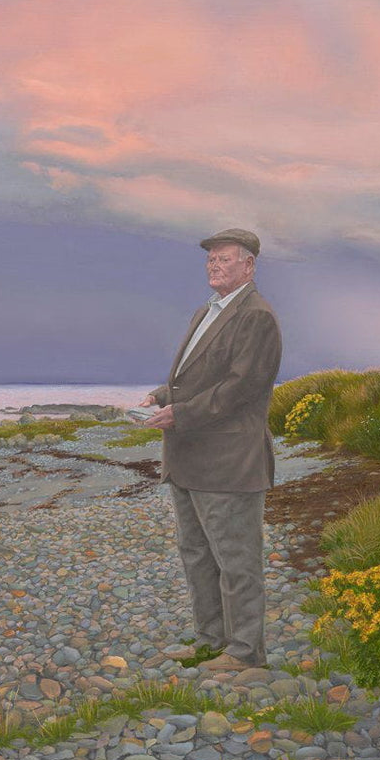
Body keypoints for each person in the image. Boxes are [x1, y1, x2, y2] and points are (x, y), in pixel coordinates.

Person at [138, 227, 282, 672]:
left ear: (249, 266)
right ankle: (209, 640)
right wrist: (163, 395)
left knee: (236, 559)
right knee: (197, 554)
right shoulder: (209, 309)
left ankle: (245, 652)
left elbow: (240, 388)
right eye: (210, 259)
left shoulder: (256, 316)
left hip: (228, 461)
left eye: (224, 259)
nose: (213, 265)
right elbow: (201, 376)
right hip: (189, 459)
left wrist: (180, 413)